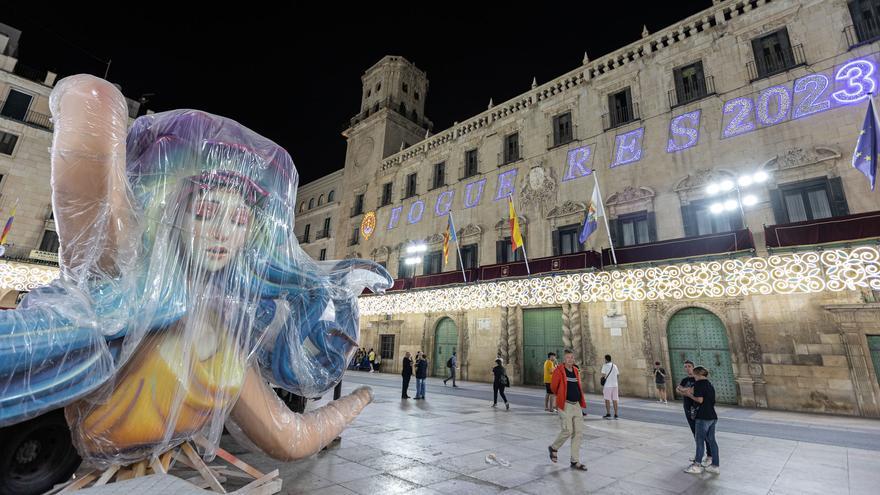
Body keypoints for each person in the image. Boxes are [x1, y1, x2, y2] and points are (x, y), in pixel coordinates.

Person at [4, 75, 393, 465]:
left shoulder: (226, 338)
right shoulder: (123, 268)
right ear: (171, 210)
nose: (223, 233)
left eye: (240, 220)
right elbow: (90, 100)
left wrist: (359, 400)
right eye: (206, 212)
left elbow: (289, 438)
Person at [547, 350, 587, 471]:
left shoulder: (575, 370)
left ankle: (575, 461)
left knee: (578, 433)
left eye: (572, 357)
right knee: (568, 430)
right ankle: (554, 447)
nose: (570, 359)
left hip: (576, 405)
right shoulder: (559, 370)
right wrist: (559, 398)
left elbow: (578, 386)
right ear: (564, 360)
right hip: (565, 405)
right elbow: (553, 387)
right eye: (568, 358)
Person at [682, 366, 720, 475]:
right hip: (712, 416)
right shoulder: (709, 384)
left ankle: (697, 465)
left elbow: (699, 400)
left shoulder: (698, 384)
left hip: (703, 416)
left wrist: (689, 395)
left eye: (694, 374)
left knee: (699, 441)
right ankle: (715, 466)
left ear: (698, 374)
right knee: (712, 441)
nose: (693, 376)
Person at [676, 360, 713, 465]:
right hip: (688, 409)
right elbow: (678, 389)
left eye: (689, 366)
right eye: (685, 366)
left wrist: (685, 390)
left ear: (693, 367)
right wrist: (684, 390)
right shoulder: (685, 379)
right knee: (695, 433)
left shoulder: (700, 379)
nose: (687, 368)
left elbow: (689, 391)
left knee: (704, 433)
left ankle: (709, 455)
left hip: (698, 409)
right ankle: (699, 455)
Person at [601, 354, 620, 419]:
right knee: (615, 399)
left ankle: (608, 413)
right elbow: (617, 375)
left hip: (608, 385)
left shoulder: (605, 366)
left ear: (606, 359)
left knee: (607, 399)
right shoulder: (615, 366)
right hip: (615, 385)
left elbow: (603, 375)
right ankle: (616, 414)